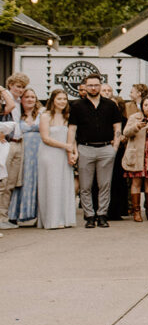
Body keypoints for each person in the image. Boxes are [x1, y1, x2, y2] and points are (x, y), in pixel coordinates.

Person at [69, 74, 122, 228]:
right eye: (90, 85)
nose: (93, 88)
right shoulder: (77, 106)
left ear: (100, 86)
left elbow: (117, 127)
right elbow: (72, 129)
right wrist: (73, 149)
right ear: (85, 87)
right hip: (85, 148)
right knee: (85, 186)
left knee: (104, 184)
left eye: (96, 85)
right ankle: (89, 216)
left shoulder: (110, 105)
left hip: (106, 148)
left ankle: (102, 214)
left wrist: (115, 147)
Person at [38, 90, 77, 229]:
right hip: (49, 154)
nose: (62, 101)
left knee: (64, 184)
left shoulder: (68, 116)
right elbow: (45, 138)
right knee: (52, 185)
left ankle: (64, 218)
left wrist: (74, 152)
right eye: (59, 98)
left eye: (65, 99)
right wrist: (66, 146)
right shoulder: (45, 116)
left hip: (64, 154)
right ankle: (52, 220)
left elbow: (72, 137)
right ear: (53, 100)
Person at [122, 95, 148, 222]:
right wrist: (137, 127)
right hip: (136, 155)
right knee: (136, 182)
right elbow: (126, 133)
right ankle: (136, 211)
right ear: (142, 106)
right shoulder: (134, 118)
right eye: (145, 105)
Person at [7, 88, 41, 226]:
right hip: (22, 152)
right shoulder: (17, 114)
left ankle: (36, 214)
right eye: (27, 97)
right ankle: (15, 214)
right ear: (21, 99)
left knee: (37, 181)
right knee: (20, 181)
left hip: (39, 152)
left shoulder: (41, 113)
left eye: (33, 97)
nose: (30, 99)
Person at [0, 72, 30, 230]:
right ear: (10, 85)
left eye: (23, 87)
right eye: (18, 86)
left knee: (12, 182)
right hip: (6, 142)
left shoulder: (21, 102)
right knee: (3, 182)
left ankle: (4, 216)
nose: (20, 90)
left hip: (19, 143)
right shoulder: (4, 100)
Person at [106, 94, 130, 220]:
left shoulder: (125, 120)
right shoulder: (104, 119)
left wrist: (121, 139)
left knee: (118, 181)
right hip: (105, 151)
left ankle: (118, 210)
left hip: (119, 153)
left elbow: (126, 135)